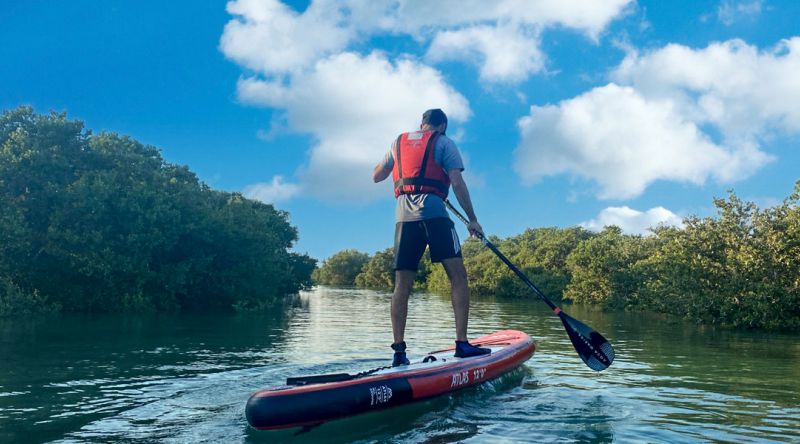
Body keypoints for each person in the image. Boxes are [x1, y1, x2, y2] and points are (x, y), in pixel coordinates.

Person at [372, 108, 491, 367]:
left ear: (422, 123)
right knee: (458, 278)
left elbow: (377, 176)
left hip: (404, 220)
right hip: (435, 216)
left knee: (402, 285)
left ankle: (399, 352)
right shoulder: (445, 142)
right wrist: (472, 219)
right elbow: (457, 183)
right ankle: (462, 343)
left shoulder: (397, 142)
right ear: (443, 125)